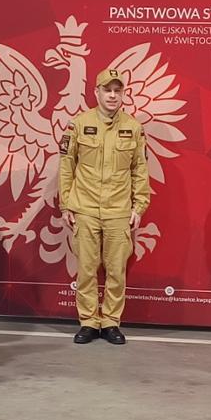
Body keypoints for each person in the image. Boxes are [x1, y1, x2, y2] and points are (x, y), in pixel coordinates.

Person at [58, 68, 153, 345]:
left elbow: (140, 169)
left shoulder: (133, 127)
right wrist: (66, 204)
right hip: (85, 209)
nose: (112, 95)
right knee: (87, 269)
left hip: (118, 210)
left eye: (117, 90)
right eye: (107, 90)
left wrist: (140, 205)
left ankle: (111, 322)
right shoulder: (78, 124)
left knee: (116, 270)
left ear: (123, 94)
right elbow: (66, 166)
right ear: (96, 92)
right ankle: (88, 322)